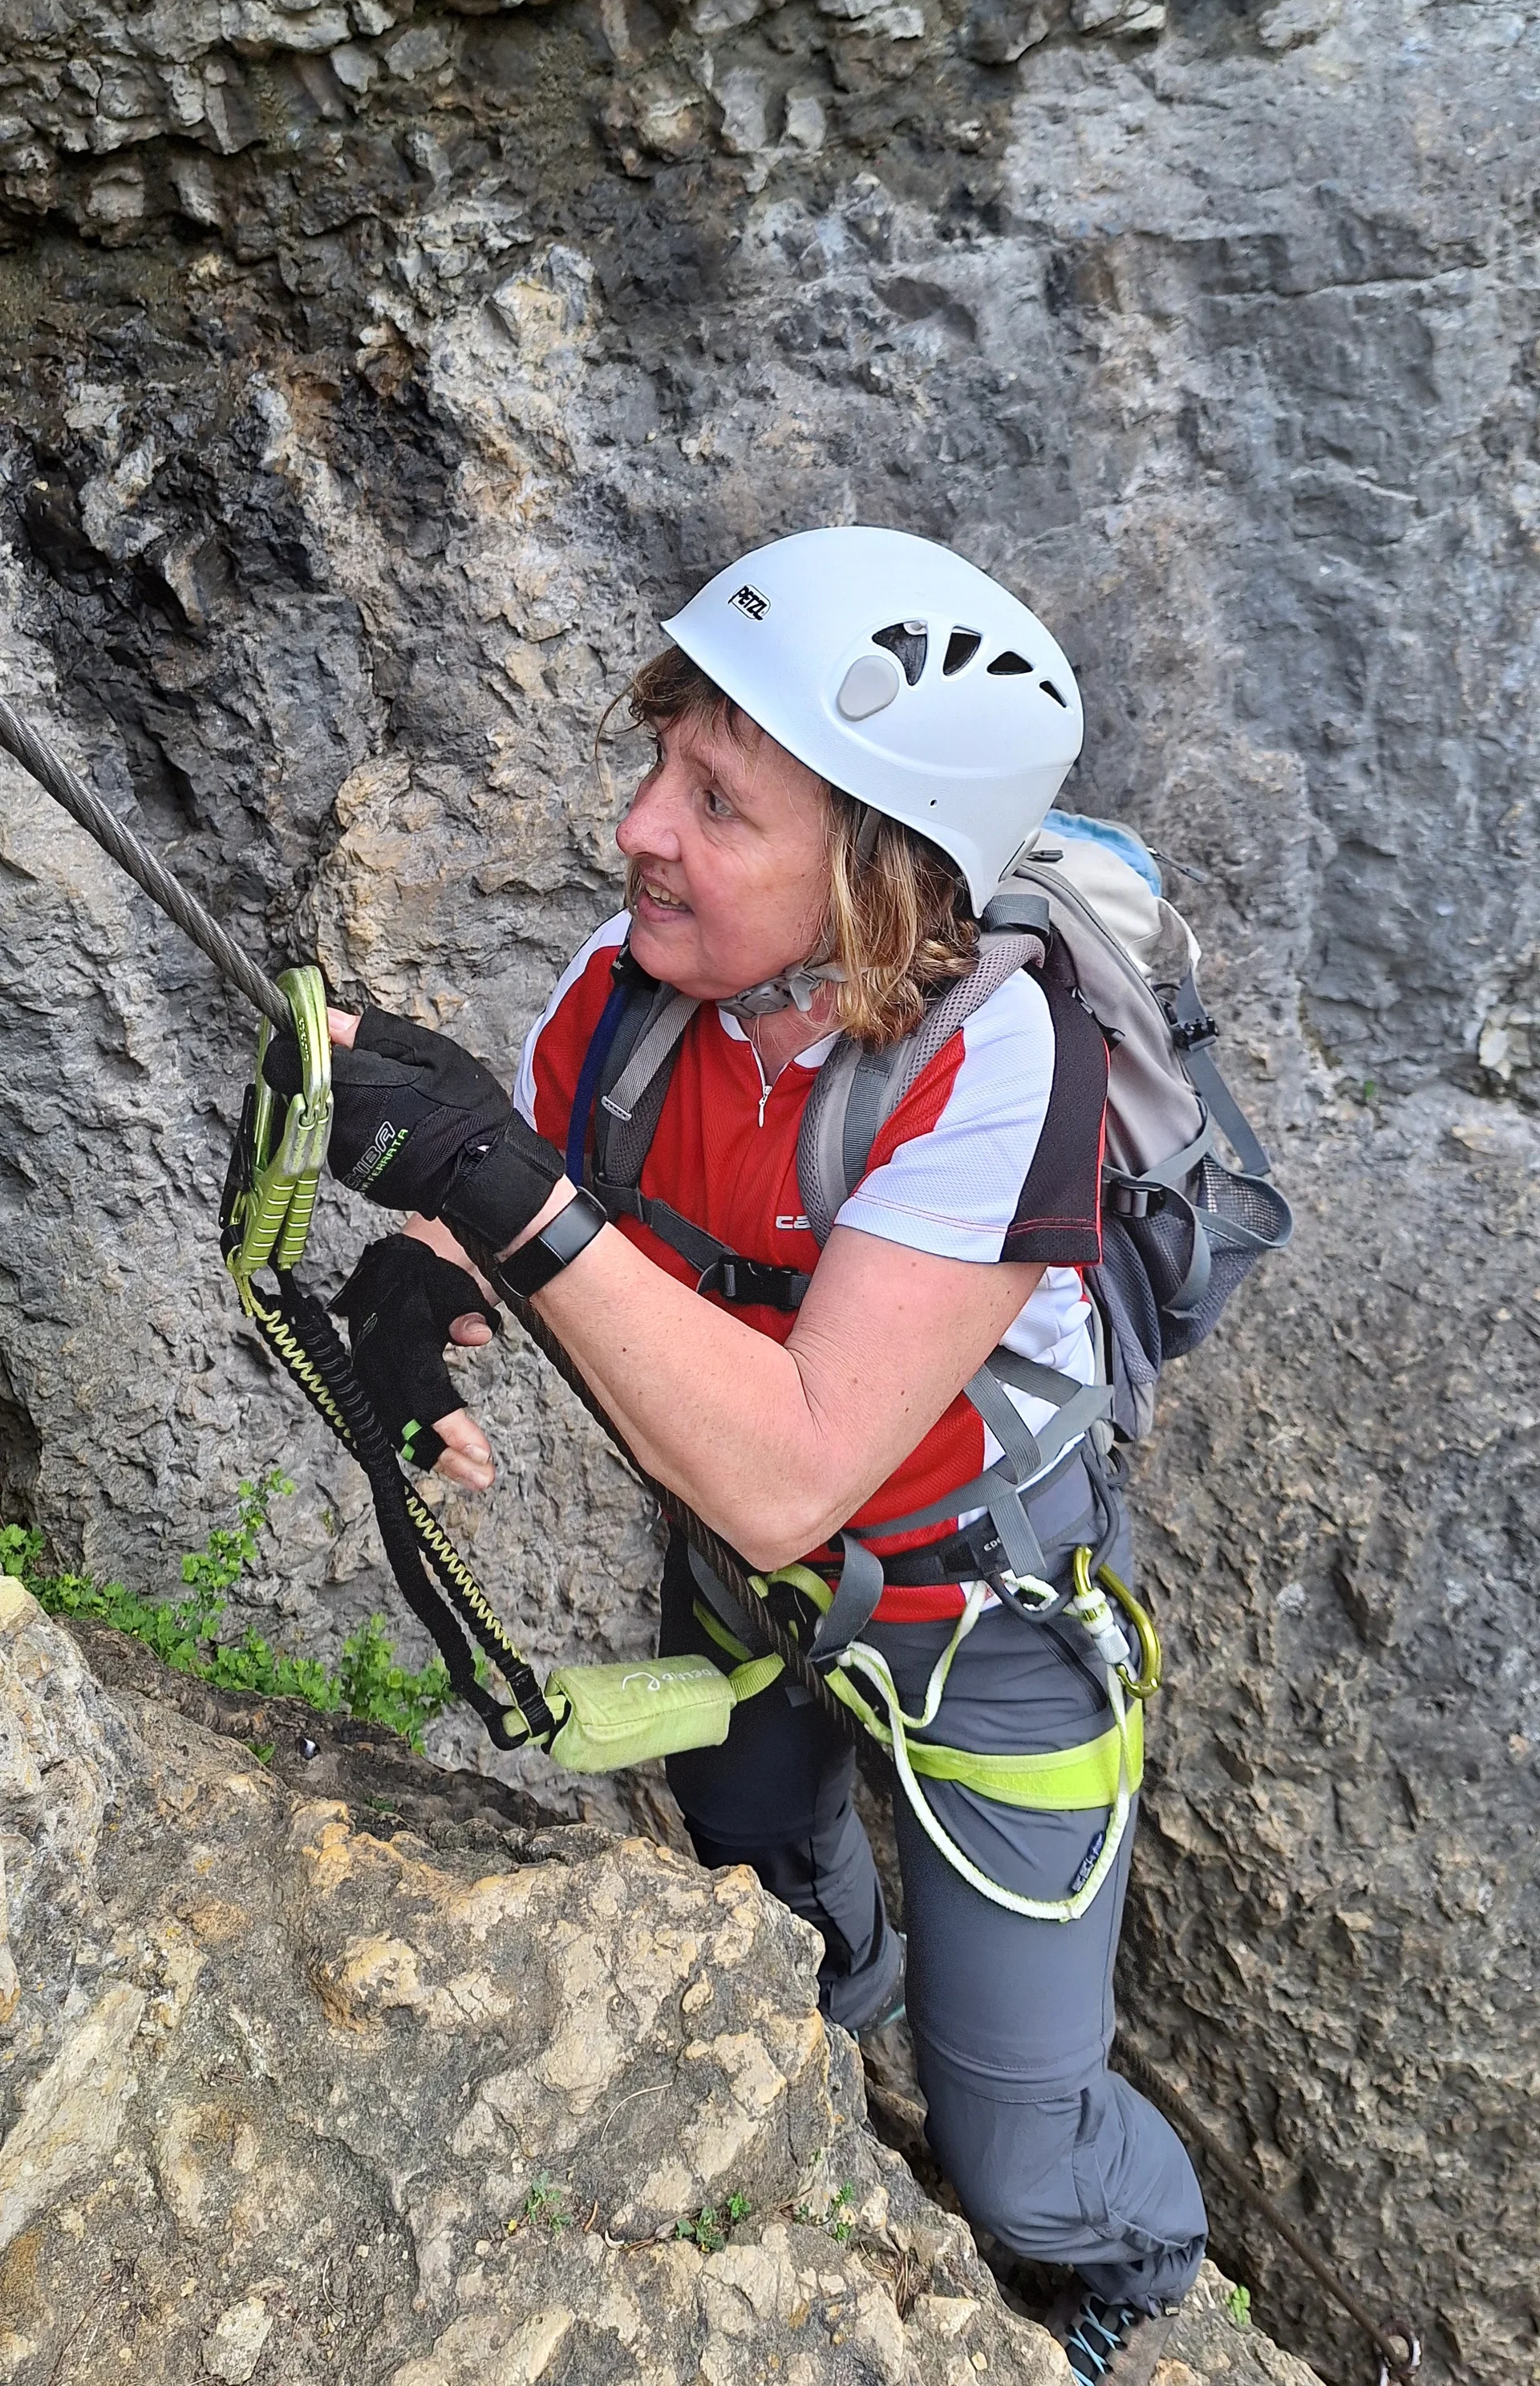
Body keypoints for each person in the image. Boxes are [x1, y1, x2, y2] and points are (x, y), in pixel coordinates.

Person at [278, 527, 1207, 2374]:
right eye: (663, 769)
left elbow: (797, 1461)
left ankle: (1139, 2287)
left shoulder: (1000, 1061)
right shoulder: (626, 997)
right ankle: (833, 2049)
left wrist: (486, 1175)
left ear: (876, 874)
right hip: (751, 1596)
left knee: (1021, 2152)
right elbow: (513, 1215)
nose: (640, 827)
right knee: (761, 1880)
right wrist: (409, 1291)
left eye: (719, 800)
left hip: (984, 1621)